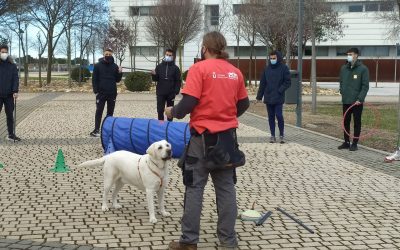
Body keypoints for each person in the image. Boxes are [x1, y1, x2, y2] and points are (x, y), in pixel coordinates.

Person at [165, 31, 249, 250]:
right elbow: (243, 104)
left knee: (194, 187)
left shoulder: (199, 69)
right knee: (226, 189)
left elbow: (188, 102)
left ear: (205, 48)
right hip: (227, 140)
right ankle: (229, 242)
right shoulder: (235, 72)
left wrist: (172, 111)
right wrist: (226, 116)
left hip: (201, 139)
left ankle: (189, 242)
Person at [338, 47, 369, 151]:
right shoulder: (344, 68)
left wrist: (360, 99)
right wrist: (342, 91)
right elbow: (341, 82)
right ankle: (346, 142)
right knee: (345, 122)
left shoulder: (363, 69)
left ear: (356, 55)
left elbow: (365, 86)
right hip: (346, 100)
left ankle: (354, 143)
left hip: (356, 102)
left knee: (357, 122)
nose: (349, 56)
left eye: (350, 54)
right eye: (348, 54)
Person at [256, 50, 291, 143]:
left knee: (279, 115)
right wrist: (259, 96)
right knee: (271, 116)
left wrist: (280, 90)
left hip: (279, 97)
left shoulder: (284, 68)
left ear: (278, 58)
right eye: (271, 58)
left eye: (274, 58)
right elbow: (262, 83)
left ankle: (281, 134)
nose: (272, 60)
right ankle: (272, 135)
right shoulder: (266, 69)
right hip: (268, 97)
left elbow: (288, 82)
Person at [90, 48, 122, 137]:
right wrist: (96, 92)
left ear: (112, 55)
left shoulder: (115, 66)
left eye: (109, 54)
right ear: (103, 55)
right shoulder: (97, 66)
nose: (108, 55)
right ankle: (96, 130)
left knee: (110, 112)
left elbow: (117, 80)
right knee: (99, 111)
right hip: (101, 93)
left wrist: (120, 72)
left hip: (112, 93)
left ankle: (108, 130)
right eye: (106, 54)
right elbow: (94, 79)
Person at [151, 49, 181, 121]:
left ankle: (169, 126)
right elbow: (156, 79)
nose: (168, 56)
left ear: (173, 57)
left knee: (170, 111)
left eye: (170, 55)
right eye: (167, 55)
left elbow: (178, 81)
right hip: (160, 92)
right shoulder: (159, 67)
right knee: (160, 110)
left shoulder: (176, 68)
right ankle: (160, 125)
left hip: (171, 93)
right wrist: (153, 75)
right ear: (165, 55)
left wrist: (176, 91)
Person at [0, 44, 20, 141]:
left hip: (9, 95)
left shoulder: (12, 65)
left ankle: (11, 135)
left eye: (5, 52)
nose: (4, 54)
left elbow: (15, 79)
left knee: (10, 116)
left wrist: (15, 91)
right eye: (2, 52)